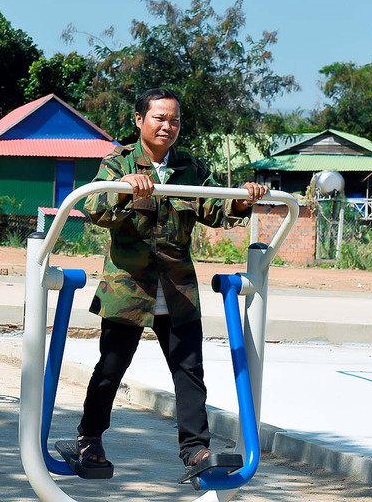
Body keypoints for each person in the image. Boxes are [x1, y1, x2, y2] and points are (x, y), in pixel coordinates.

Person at [76, 87, 268, 472]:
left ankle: (195, 450)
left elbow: (216, 207)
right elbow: (94, 207)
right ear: (139, 120)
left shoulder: (190, 168)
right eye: (159, 118)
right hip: (129, 287)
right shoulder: (119, 164)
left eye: (174, 120)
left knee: (189, 369)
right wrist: (127, 193)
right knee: (112, 366)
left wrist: (244, 199)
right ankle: (89, 437)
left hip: (177, 288)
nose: (167, 126)